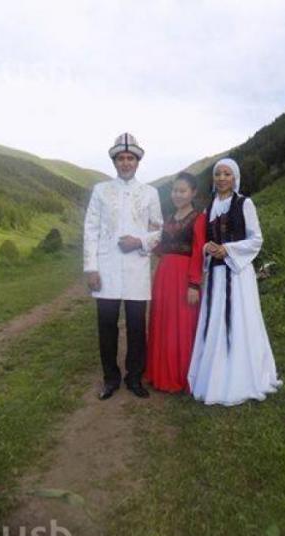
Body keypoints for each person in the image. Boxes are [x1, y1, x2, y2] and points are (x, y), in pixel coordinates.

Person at [187, 158, 283, 406]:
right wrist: (209, 248)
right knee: (216, 321)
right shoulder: (209, 208)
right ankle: (216, 378)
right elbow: (204, 242)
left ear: (235, 178)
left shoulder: (244, 204)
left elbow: (256, 239)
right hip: (216, 276)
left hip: (238, 276)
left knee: (240, 319)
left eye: (227, 174)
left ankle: (243, 377)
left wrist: (228, 250)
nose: (221, 178)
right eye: (218, 174)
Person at [83, 133, 163, 399]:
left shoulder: (150, 193)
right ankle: (110, 378)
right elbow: (91, 230)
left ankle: (134, 377)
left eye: (130, 158)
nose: (126, 163)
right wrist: (91, 268)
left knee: (137, 327)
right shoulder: (101, 191)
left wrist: (139, 241)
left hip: (137, 268)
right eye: (121, 158)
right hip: (106, 268)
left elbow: (158, 230)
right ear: (114, 161)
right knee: (106, 326)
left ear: (138, 162)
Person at [145, 172, 206, 392]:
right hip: (164, 275)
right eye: (174, 190)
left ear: (193, 193)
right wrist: (149, 238)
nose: (177, 195)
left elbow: (198, 252)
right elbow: (162, 249)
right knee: (163, 322)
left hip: (183, 277)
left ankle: (181, 375)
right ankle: (160, 373)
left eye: (183, 191)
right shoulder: (169, 218)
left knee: (181, 325)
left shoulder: (199, 219)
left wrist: (194, 284)